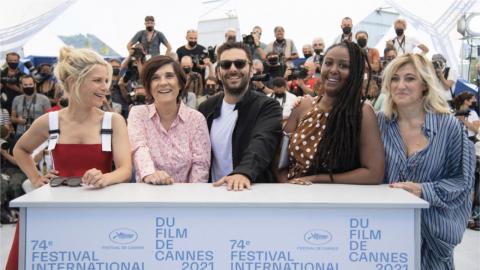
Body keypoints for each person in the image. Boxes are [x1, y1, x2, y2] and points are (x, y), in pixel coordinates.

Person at [6, 46, 132, 270]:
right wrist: (36, 179)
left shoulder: (113, 121)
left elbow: (125, 170)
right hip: (54, 211)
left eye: (107, 80)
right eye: (98, 81)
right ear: (74, 82)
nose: (106, 87)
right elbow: (20, 150)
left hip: (97, 212)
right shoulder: (50, 121)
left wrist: (106, 177)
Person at [377, 53, 475, 269]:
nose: (400, 85)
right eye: (394, 78)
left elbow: (463, 182)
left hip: (433, 240)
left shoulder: (450, 128)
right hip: (384, 237)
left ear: (425, 84)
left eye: (409, 78)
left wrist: (423, 190)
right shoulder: (378, 124)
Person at [277, 41, 384, 185]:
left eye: (343, 66)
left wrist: (316, 179)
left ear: (356, 72)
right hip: (294, 198)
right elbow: (279, 159)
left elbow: (373, 173)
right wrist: (287, 184)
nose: (333, 70)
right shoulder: (303, 105)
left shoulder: (362, 113)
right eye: (328, 63)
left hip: (336, 202)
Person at [198, 42, 282, 191]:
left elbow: (262, 142)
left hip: (250, 193)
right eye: (225, 65)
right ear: (218, 73)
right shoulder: (205, 108)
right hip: (213, 195)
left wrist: (243, 172)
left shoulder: (268, 106)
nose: (233, 69)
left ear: (251, 71)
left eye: (239, 64)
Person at [128, 56, 211, 184]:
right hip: (147, 195)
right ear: (148, 86)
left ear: (180, 83)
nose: (163, 83)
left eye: (169, 76)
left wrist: (193, 198)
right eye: (155, 78)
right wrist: (151, 174)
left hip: (186, 198)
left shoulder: (196, 119)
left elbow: (200, 165)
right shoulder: (138, 114)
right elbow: (139, 148)